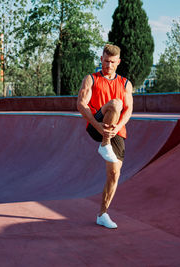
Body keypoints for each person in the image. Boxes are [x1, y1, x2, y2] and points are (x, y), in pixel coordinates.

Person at [77, 44, 133, 229]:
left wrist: (116, 128)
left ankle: (102, 214)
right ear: (101, 59)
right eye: (105, 60)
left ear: (118, 62)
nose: (108, 64)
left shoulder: (125, 83)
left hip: (116, 129)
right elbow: (81, 104)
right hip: (96, 123)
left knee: (114, 174)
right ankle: (104, 144)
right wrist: (99, 127)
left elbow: (129, 110)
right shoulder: (91, 79)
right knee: (115, 104)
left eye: (112, 62)